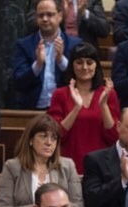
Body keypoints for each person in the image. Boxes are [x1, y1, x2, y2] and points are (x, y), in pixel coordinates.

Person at [0, 113, 84, 207]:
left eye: (54, 138)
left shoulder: (67, 166)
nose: (49, 142)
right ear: (31, 140)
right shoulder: (12, 167)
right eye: (43, 136)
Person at [47, 42, 120, 175]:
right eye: (79, 62)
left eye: (89, 62)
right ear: (72, 66)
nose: (84, 67)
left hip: (102, 168)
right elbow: (55, 135)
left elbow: (115, 137)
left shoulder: (108, 94)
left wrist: (103, 106)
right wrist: (76, 108)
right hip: (68, 166)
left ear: (96, 65)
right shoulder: (60, 94)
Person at [12, 0, 82, 110]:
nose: (45, 19)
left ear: (60, 16)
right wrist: (38, 65)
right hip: (32, 109)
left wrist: (61, 60)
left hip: (65, 110)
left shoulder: (74, 45)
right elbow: (18, 82)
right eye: (41, 15)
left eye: (49, 14)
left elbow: (81, 80)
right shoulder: (24, 45)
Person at [24, 0, 110, 49]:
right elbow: (31, 23)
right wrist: (57, 16)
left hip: (83, 51)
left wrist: (84, 13)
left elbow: (104, 30)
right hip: (52, 48)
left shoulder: (90, 1)